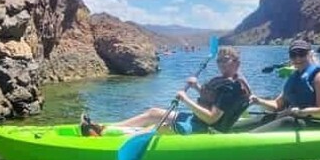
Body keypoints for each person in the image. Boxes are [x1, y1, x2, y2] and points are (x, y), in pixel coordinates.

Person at [98, 46, 251, 135]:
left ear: (236, 62)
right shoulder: (226, 81)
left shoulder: (231, 88)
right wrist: (196, 86)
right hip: (197, 120)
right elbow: (211, 100)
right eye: (219, 60)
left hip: (207, 129)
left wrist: (186, 99)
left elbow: (211, 118)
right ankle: (110, 127)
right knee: (154, 112)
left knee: (162, 127)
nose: (221, 64)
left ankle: (109, 136)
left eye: (225, 60)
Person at [246, 40, 320, 132]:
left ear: (309, 55)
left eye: (302, 54)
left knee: (287, 121)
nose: (297, 58)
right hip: (297, 118)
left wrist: (301, 112)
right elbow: (278, 105)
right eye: (293, 55)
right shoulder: (295, 77)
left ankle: (247, 140)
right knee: (266, 118)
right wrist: (258, 101)